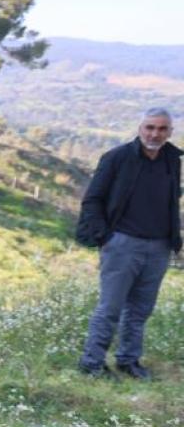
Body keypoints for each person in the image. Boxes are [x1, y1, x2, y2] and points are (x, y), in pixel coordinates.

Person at [76, 107, 180, 379]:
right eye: (150, 127)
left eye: (162, 129)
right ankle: (92, 364)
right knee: (110, 308)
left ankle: (128, 361)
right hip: (122, 245)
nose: (155, 133)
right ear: (140, 128)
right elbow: (92, 200)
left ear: (170, 132)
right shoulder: (117, 158)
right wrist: (105, 238)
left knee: (140, 310)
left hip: (159, 247)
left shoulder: (173, 160)